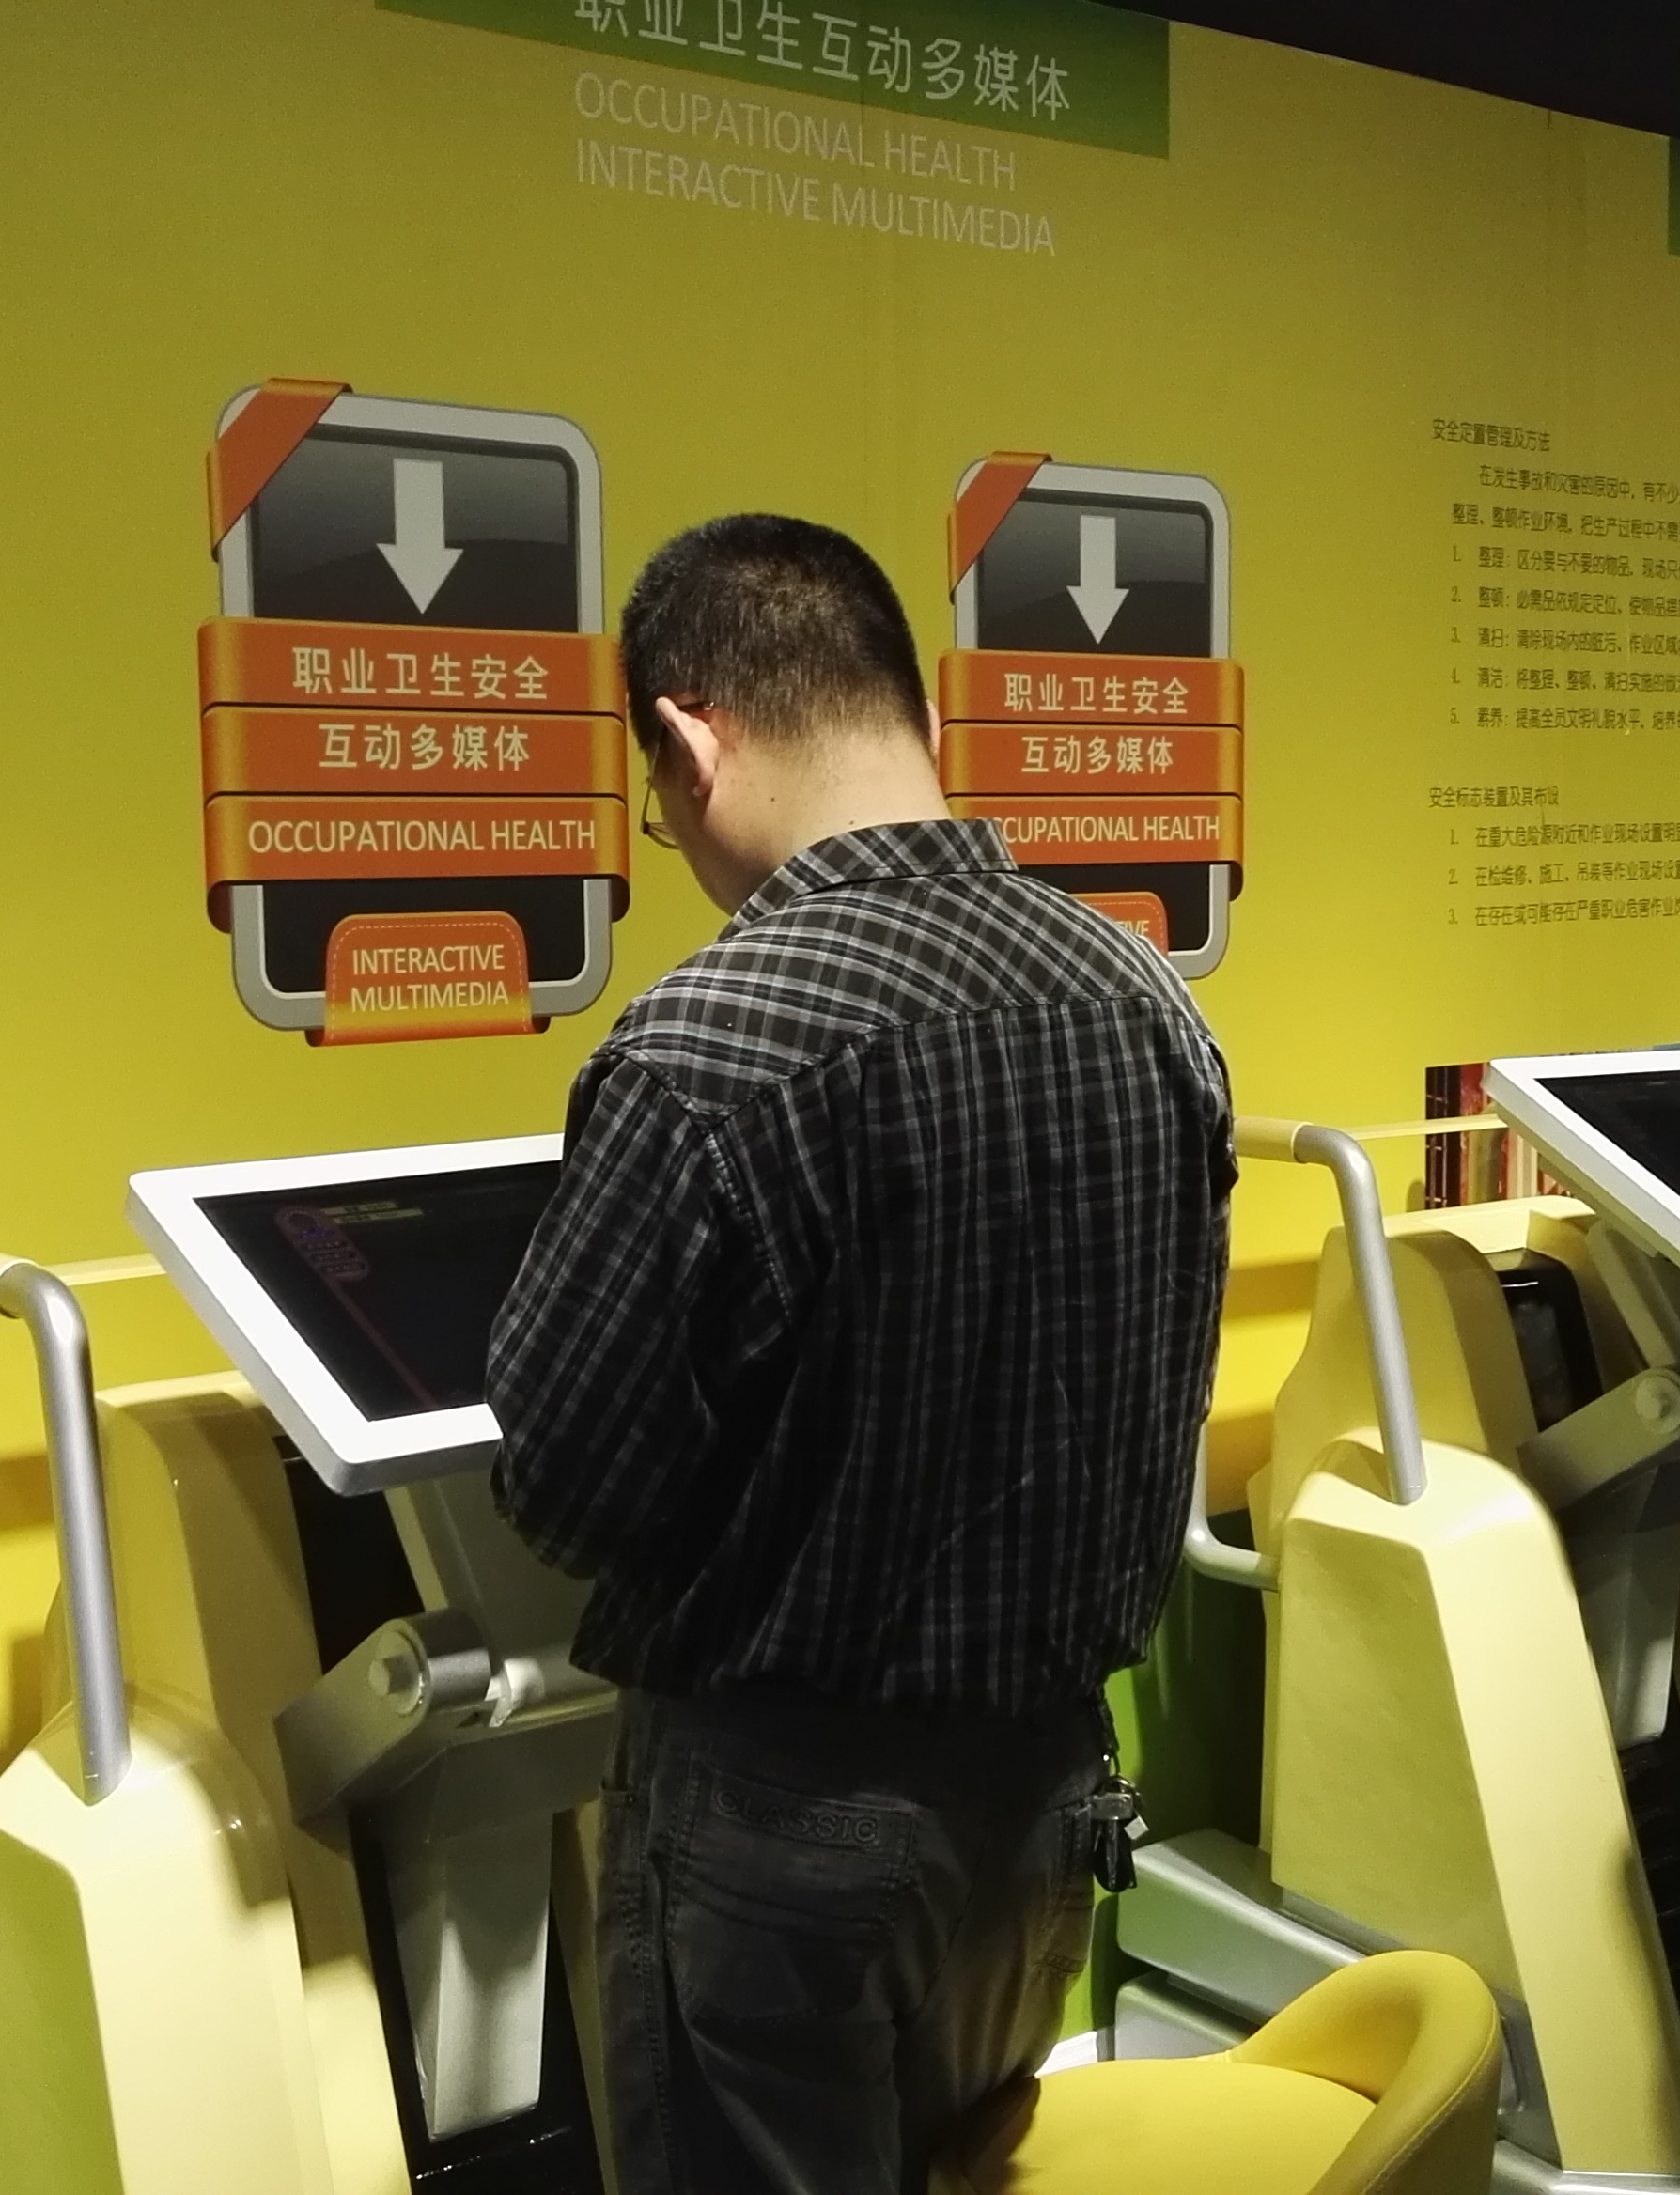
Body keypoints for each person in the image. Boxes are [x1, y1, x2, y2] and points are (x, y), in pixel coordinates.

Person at [486, 513, 1236, 2195]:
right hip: (1044, 1793)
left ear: (689, 740)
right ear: (911, 709)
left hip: (781, 1827)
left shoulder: (708, 1046)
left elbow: (565, 1489)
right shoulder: (1146, 996)